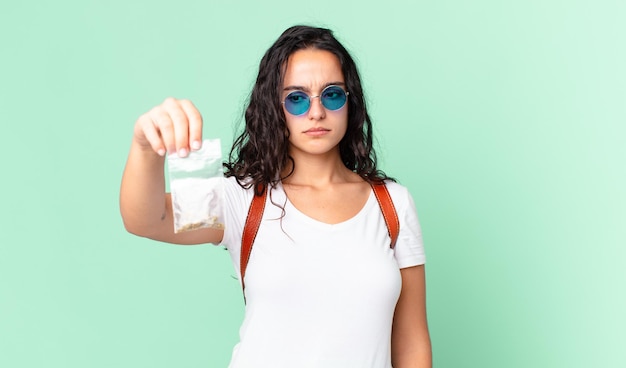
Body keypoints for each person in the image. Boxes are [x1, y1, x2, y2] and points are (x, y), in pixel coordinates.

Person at [120, 25, 431, 368]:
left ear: (350, 102)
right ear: (275, 107)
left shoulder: (392, 204)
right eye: (296, 98)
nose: (316, 112)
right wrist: (145, 148)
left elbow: (412, 344)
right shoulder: (245, 199)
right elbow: (145, 220)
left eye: (331, 94)